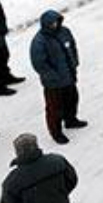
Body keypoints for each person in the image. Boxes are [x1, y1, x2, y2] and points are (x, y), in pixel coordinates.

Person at [29, 11, 86, 145]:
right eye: (52, 23)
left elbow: (72, 46)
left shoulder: (64, 31)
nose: (55, 24)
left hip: (69, 76)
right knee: (55, 109)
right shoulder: (39, 41)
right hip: (53, 83)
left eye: (57, 21)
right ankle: (56, 132)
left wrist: (75, 62)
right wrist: (54, 77)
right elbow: (39, 64)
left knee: (72, 100)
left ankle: (71, 120)